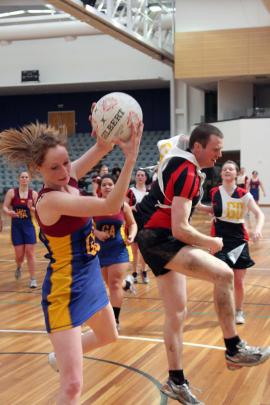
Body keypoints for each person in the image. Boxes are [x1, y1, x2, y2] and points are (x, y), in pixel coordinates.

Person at [0, 117, 142, 405]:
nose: (65, 171)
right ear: (36, 169)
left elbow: (100, 149)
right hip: (65, 289)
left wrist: (106, 133)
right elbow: (110, 205)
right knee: (73, 386)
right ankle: (64, 361)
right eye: (55, 167)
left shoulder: (67, 177)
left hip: (89, 274)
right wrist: (130, 160)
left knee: (108, 335)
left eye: (66, 162)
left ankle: (60, 356)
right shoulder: (49, 200)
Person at [134, 123, 270, 405]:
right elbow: (181, 229)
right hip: (160, 237)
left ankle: (176, 380)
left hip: (153, 234)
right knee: (223, 273)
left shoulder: (182, 159)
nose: (219, 156)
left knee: (177, 313)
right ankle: (234, 347)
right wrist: (211, 243)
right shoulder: (186, 172)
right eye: (215, 149)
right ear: (197, 147)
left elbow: (173, 142)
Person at [210, 160, 264, 325]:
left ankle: (239, 311)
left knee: (238, 281)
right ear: (221, 174)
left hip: (239, 240)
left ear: (236, 174)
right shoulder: (214, 192)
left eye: (231, 169)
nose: (227, 171)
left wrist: (257, 229)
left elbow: (259, 214)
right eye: (225, 169)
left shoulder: (243, 194)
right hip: (218, 240)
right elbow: (213, 210)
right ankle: (223, 311)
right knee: (220, 279)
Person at [94, 174, 137, 330]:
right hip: (100, 250)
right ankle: (127, 283)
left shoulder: (122, 205)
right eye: (104, 184)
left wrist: (132, 235)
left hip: (118, 249)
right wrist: (96, 233)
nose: (107, 187)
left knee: (113, 284)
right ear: (100, 188)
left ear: (115, 187)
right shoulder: (94, 205)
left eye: (110, 184)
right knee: (109, 283)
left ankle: (115, 320)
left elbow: (132, 224)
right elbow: (85, 227)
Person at [2, 171, 38, 288]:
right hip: (16, 227)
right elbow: (4, 207)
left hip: (28, 226)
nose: (24, 179)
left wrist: (31, 207)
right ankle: (19, 266)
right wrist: (9, 212)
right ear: (19, 179)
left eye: (26, 177)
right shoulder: (12, 192)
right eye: (22, 177)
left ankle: (33, 279)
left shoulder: (33, 194)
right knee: (19, 255)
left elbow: (38, 211)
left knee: (30, 253)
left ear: (29, 179)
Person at [126, 168, 149, 284]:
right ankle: (134, 273)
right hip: (134, 222)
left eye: (142, 175)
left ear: (145, 178)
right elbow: (124, 207)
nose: (140, 177)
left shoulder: (149, 192)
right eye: (138, 175)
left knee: (144, 250)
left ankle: (144, 272)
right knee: (134, 251)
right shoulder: (130, 191)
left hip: (146, 223)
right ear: (135, 177)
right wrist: (133, 208)